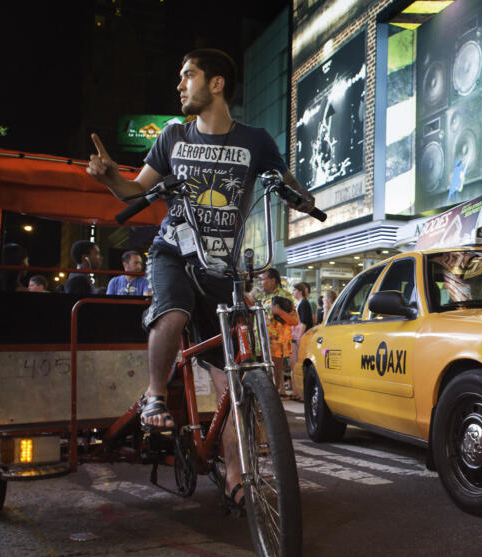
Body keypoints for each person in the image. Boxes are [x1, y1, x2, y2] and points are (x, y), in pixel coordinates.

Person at [86, 48, 315, 508]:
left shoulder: (256, 142)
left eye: (187, 75)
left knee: (233, 381)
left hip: (222, 270)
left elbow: (289, 184)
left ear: (216, 84)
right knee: (171, 315)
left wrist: (302, 200)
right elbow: (136, 188)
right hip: (173, 252)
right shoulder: (173, 137)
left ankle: (235, 473)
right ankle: (154, 396)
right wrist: (111, 176)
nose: (179, 84)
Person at [249, 269, 298, 397]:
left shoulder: (284, 295)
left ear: (272, 280)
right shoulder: (260, 297)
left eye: (262, 279)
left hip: (276, 346)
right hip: (259, 345)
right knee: (260, 377)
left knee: (274, 379)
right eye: (258, 280)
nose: (259, 282)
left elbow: (294, 321)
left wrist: (279, 312)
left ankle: (271, 407)